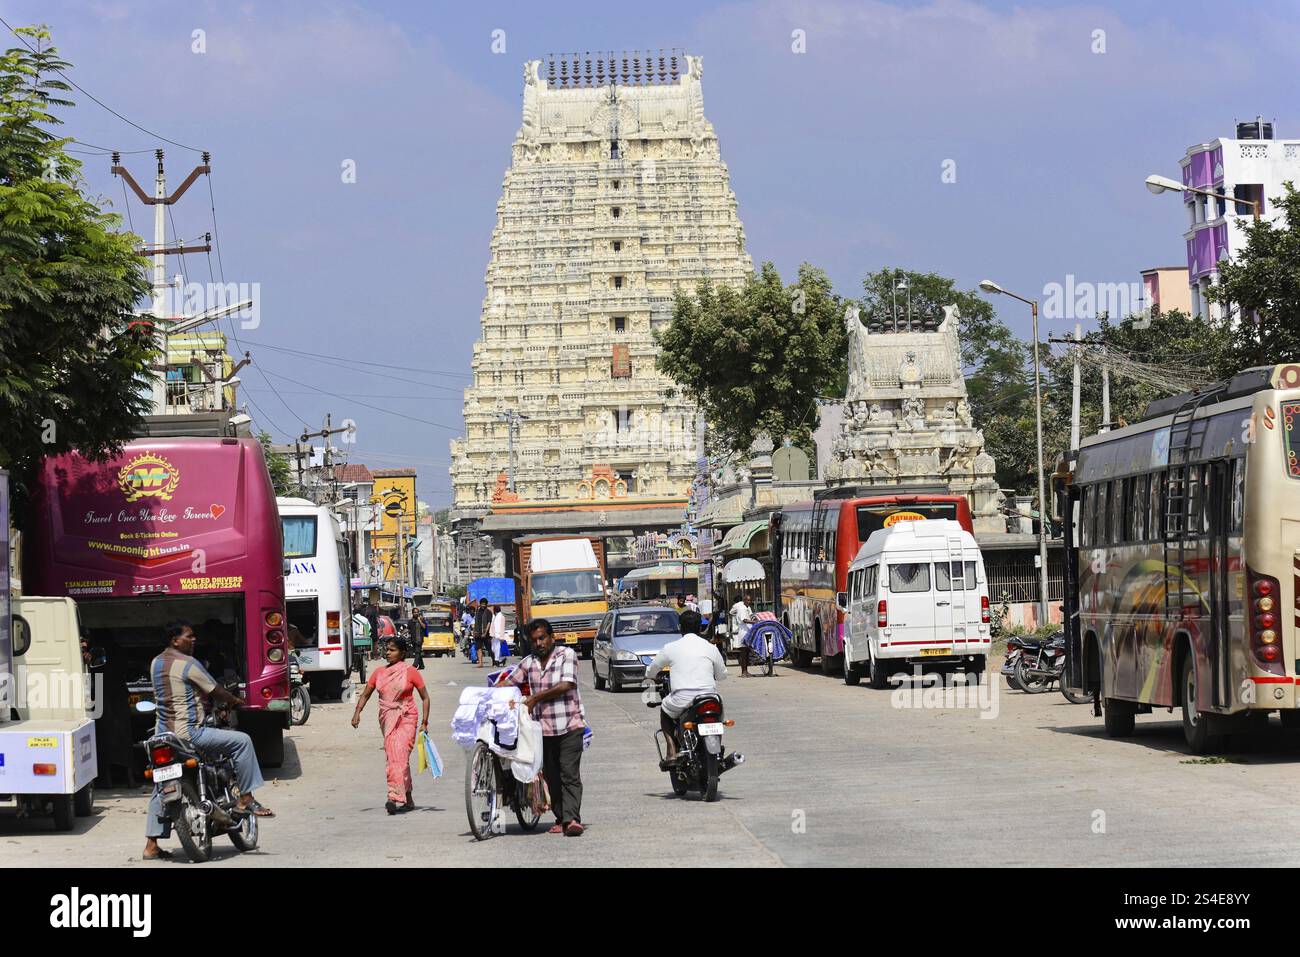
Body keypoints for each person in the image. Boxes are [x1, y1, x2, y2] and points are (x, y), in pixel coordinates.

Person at [142, 620, 273, 861]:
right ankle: (245, 798)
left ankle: (151, 845)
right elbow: (215, 690)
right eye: (189, 636)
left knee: (162, 781)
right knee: (242, 742)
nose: (194, 640)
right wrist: (233, 700)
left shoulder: (156, 662)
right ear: (175, 640)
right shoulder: (188, 663)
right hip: (190, 733)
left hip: (162, 736)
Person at [501, 618, 585, 836]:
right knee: (552, 777)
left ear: (552, 638)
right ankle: (561, 818)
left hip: (570, 726)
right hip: (542, 731)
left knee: (569, 774)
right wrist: (486, 694)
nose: (538, 643)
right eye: (534, 640)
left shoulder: (566, 655)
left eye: (542, 638)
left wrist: (535, 698)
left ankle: (572, 819)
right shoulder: (529, 662)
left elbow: (566, 685)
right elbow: (509, 683)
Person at [351, 636, 431, 814]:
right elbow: (366, 694)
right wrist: (357, 712)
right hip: (387, 719)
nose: (387, 653)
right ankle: (408, 797)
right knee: (397, 757)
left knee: (399, 757)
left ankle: (393, 797)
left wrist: (425, 722)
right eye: (386, 649)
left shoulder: (411, 672)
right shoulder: (379, 672)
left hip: (407, 717)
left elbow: (425, 697)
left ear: (402, 653)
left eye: (392, 650)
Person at [644, 609, 728, 764]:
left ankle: (671, 751)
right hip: (709, 697)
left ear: (680, 627)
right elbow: (722, 675)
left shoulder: (671, 647)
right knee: (718, 716)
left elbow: (652, 669)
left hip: (682, 698)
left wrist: (650, 675)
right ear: (700, 628)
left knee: (664, 709)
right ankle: (717, 750)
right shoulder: (710, 647)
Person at [730, 592, 755, 677]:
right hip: (743, 631)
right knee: (743, 653)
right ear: (744, 600)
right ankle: (743, 672)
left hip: (747, 630)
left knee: (747, 652)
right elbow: (744, 620)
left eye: (750, 600)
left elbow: (751, 616)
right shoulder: (742, 608)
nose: (749, 602)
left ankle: (746, 671)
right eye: (747, 600)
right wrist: (754, 622)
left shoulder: (747, 608)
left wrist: (755, 618)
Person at [474, 597, 493, 668]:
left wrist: (485, 632)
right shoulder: (477, 611)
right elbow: (476, 622)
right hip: (478, 632)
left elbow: (489, 623)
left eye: (484, 604)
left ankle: (494, 661)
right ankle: (480, 663)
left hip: (486, 633)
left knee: (489, 648)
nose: (483, 605)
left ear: (486, 604)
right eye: (482, 604)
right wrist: (474, 631)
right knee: (478, 648)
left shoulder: (488, 612)